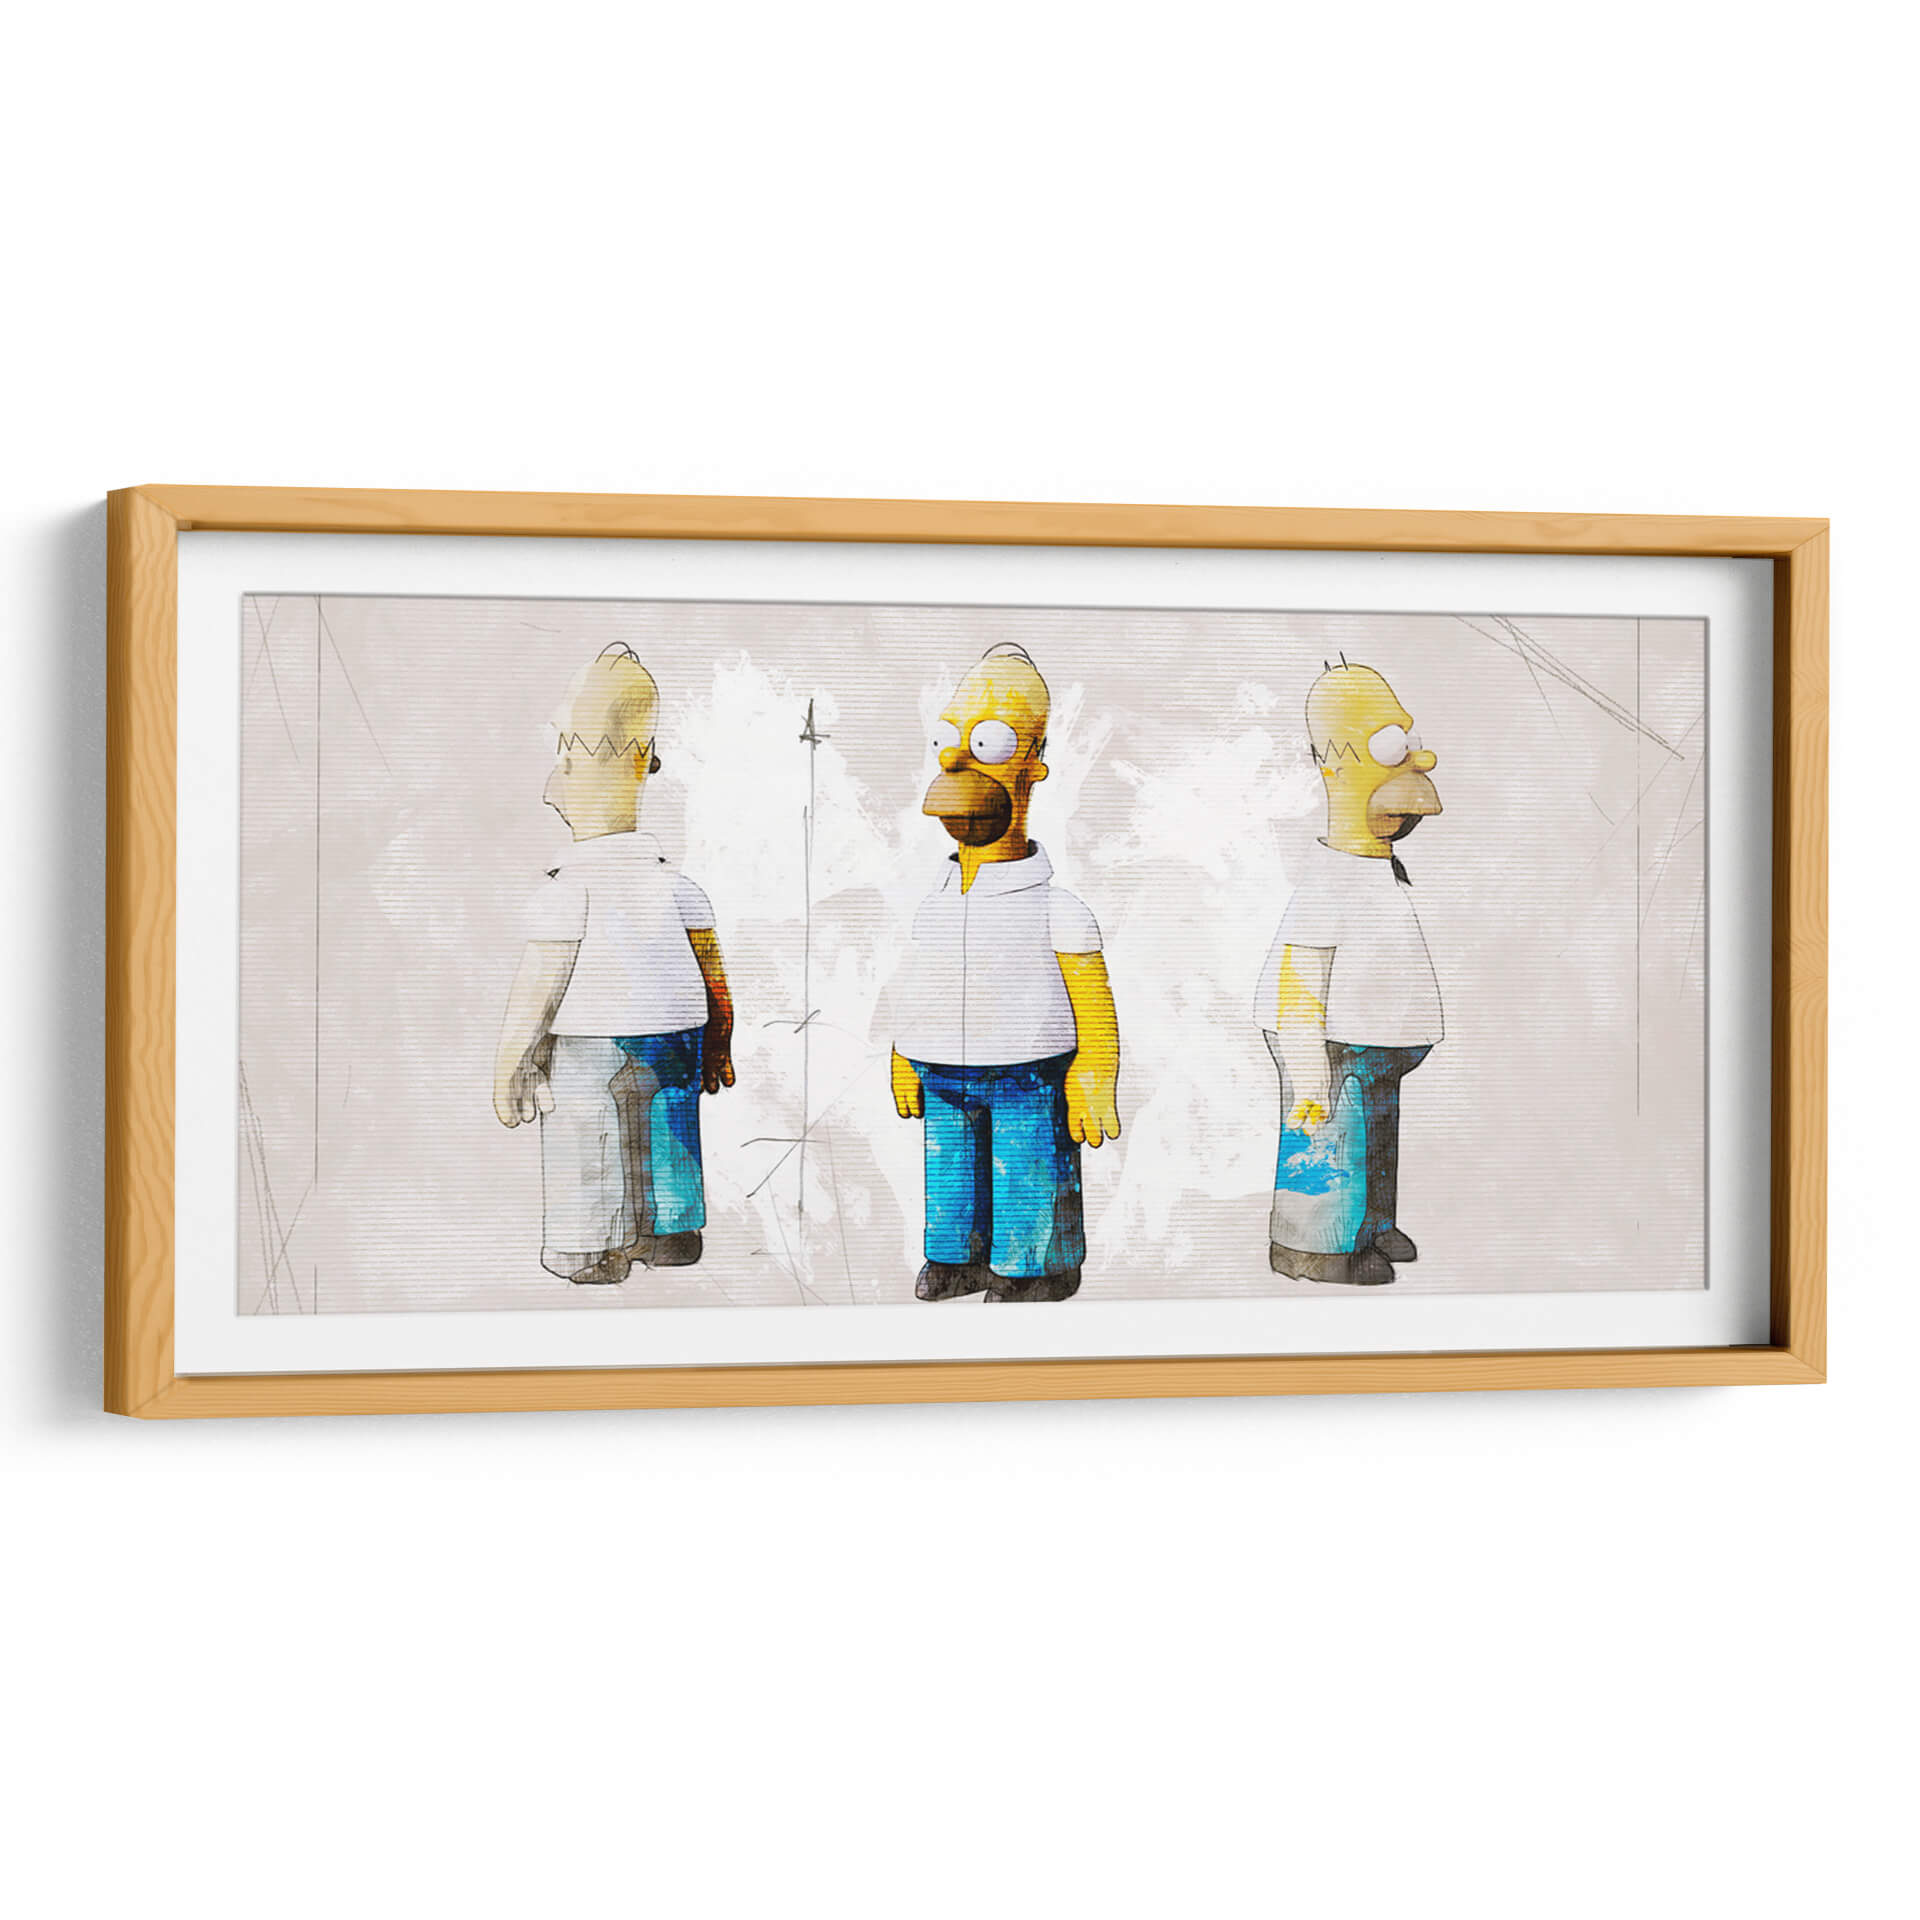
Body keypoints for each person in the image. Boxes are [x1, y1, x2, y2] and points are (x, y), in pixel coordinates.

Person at [493, 645, 735, 1284]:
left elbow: (538, 988)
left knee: (586, 1133)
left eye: (566, 758)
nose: (552, 785)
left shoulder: (565, 894)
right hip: (677, 1037)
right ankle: (670, 1230)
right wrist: (719, 1039)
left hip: (589, 1041)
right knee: (669, 1122)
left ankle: (586, 1244)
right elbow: (714, 974)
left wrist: (511, 1062)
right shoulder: (680, 888)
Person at [888, 645, 1121, 1303]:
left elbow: (1092, 1001)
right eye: (949, 741)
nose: (955, 761)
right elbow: (917, 983)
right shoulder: (933, 902)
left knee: (1028, 1168)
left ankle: (1035, 1269)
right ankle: (955, 1257)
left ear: (1032, 763)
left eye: (987, 743)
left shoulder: (1058, 911)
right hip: (940, 1071)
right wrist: (903, 1055)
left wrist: (1095, 1068)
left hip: (1030, 1073)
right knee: (950, 1172)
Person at [1256, 663, 1443, 1285]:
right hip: (1329, 1042)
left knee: (1375, 1131)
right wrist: (1306, 1064)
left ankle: (1371, 1224)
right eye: (1388, 745)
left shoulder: (1375, 870)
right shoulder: (1326, 885)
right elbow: (1300, 980)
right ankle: (1315, 1247)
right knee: (1329, 1136)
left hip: (1377, 1041)